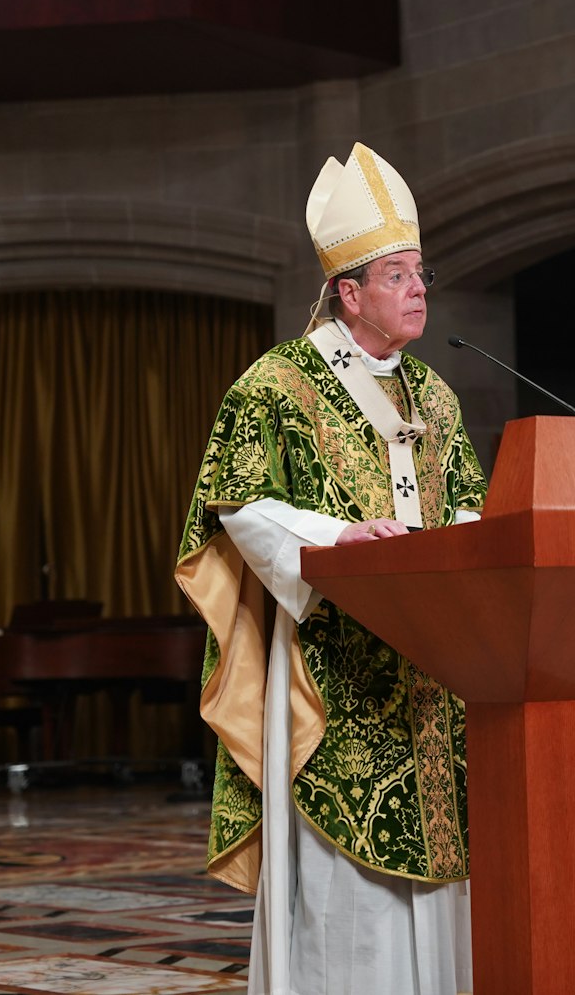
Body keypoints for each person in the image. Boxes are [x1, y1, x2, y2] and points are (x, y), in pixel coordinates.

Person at [176, 143, 486, 995]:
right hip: (335, 670)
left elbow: (470, 509)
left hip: (435, 679)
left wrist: (463, 547)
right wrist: (333, 542)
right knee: (354, 915)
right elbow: (236, 505)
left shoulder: (437, 396)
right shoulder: (277, 385)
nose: (420, 289)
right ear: (348, 292)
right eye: (398, 275)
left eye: (422, 272)